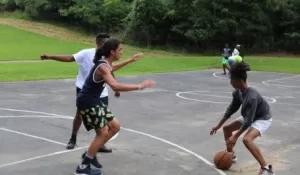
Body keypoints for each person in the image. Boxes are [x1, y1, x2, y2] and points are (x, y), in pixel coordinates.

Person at [40, 33, 142, 153]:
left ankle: (98, 144)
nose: (104, 45)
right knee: (79, 115)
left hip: (100, 92)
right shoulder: (87, 53)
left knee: (103, 121)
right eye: (102, 43)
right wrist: (50, 56)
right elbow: (69, 58)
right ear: (97, 43)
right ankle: (73, 139)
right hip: (85, 90)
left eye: (106, 43)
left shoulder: (105, 59)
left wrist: (118, 84)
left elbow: (110, 70)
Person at [75, 38, 155, 175]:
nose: (121, 52)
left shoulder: (105, 63)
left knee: (115, 127)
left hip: (94, 100)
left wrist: (130, 60)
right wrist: (139, 86)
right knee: (102, 133)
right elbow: (115, 85)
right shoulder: (103, 66)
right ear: (112, 52)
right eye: (120, 50)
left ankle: (89, 154)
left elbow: (113, 68)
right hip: (88, 101)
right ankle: (82, 168)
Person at [210, 62, 275, 175]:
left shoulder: (252, 97)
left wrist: (235, 136)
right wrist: (218, 126)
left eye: (232, 80)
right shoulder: (237, 92)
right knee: (226, 129)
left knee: (246, 139)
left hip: (262, 118)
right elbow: (231, 110)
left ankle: (266, 169)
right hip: (249, 115)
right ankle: (231, 155)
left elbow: (248, 122)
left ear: (239, 81)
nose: (230, 82)